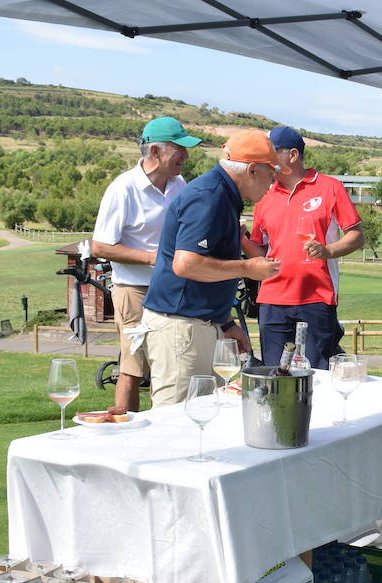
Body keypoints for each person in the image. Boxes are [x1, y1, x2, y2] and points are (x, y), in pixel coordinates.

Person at [140, 130, 282, 406]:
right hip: (181, 328)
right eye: (271, 174)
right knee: (175, 424)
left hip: (197, 326)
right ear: (252, 170)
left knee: (205, 422)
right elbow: (186, 264)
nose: (273, 183)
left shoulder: (222, 195)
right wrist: (247, 268)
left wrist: (226, 323)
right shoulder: (210, 197)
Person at [89, 116, 195, 411]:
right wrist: (153, 258)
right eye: (179, 149)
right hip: (133, 290)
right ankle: (127, 433)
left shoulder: (179, 184)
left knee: (169, 365)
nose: (185, 156)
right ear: (156, 152)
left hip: (171, 289)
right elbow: (100, 246)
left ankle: (160, 433)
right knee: (132, 369)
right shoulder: (122, 189)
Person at [245, 126, 364, 369]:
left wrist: (328, 251)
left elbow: (356, 236)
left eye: (271, 153)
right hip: (272, 301)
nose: (266, 160)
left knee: (316, 377)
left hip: (317, 298)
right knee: (274, 376)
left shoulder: (330, 187)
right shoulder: (264, 197)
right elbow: (260, 253)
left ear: (293, 155)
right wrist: (240, 239)